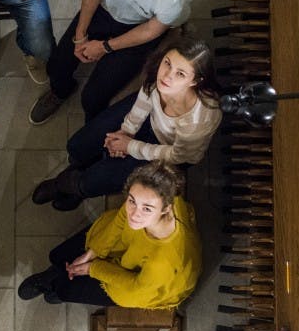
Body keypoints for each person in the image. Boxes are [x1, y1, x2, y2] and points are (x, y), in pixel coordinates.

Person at [33, 36, 223, 211]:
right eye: (167, 63)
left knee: (96, 180)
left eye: (180, 73)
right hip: (150, 120)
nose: (166, 76)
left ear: (195, 81)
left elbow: (179, 155)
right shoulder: (160, 75)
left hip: (168, 151)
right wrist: (126, 131)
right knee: (82, 143)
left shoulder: (200, 118)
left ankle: (69, 186)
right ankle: (76, 170)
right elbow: (143, 100)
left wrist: (130, 146)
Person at [29, 0, 190, 125]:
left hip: (140, 27)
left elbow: (151, 30)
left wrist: (105, 47)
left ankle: (93, 127)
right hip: (105, 11)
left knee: (93, 97)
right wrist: (80, 34)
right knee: (57, 67)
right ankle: (60, 92)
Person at [19, 162, 201, 307]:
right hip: (129, 245)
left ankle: (55, 288)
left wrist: (93, 267)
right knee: (59, 255)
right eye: (132, 201)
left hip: (143, 284)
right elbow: (122, 215)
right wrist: (93, 252)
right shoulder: (154, 195)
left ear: (166, 209)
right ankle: (53, 275)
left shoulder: (164, 262)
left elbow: (135, 286)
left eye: (147, 208)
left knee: (64, 288)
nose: (134, 214)